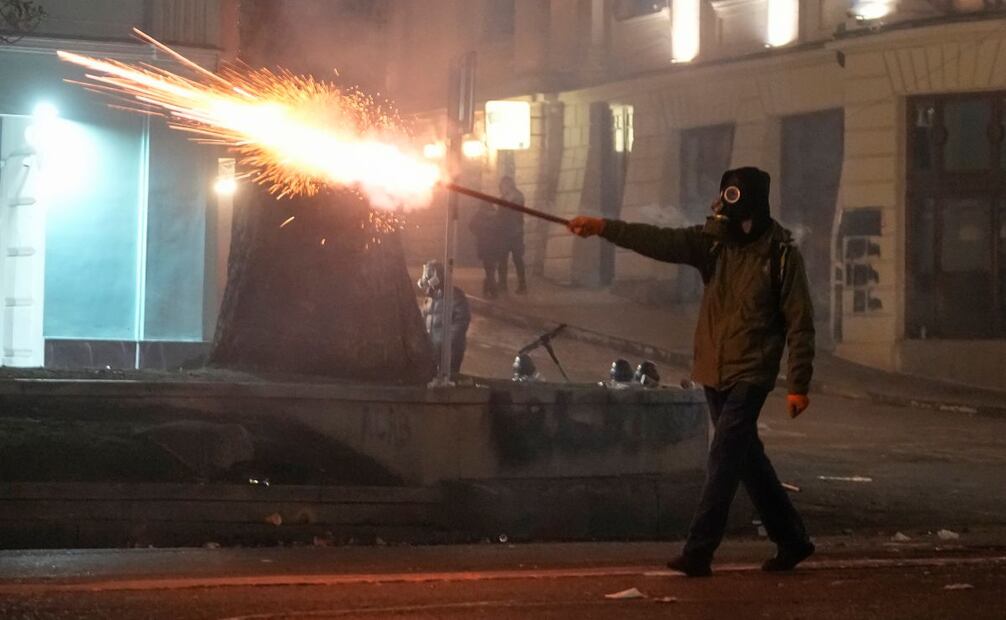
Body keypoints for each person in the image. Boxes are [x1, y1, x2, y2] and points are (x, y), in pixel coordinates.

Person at [568, 166, 816, 577]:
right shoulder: (714, 245)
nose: (726, 220)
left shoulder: (781, 256)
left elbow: (800, 322)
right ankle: (792, 540)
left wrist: (799, 384)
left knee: (722, 457)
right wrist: (602, 227)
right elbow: (659, 241)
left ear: (753, 211)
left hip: (752, 371)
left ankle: (699, 551)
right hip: (712, 369)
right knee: (746, 459)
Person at [418, 259, 471, 375]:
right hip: (433, 348)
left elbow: (462, 321)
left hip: (450, 350)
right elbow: (424, 318)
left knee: (449, 378)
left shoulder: (455, 295)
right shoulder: (430, 297)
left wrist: (446, 343)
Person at [496, 176, 528, 294]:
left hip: (515, 233)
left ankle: (522, 285)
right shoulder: (504, 198)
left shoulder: (518, 197)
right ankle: (503, 284)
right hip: (506, 233)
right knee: (503, 260)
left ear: (508, 185)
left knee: (517, 259)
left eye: (503, 185)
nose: (502, 188)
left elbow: (514, 214)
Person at [469, 203, 502, 298]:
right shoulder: (495, 216)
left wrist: (480, 233)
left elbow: (471, 226)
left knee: (489, 270)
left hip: (487, 247)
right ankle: (490, 290)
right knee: (491, 269)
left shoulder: (480, 215)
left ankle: (491, 290)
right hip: (494, 247)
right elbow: (500, 230)